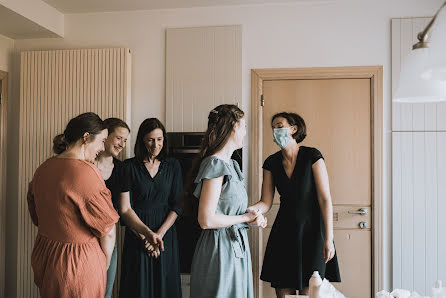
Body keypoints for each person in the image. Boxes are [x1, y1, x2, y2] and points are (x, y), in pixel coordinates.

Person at [247, 112, 341, 298]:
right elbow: (265, 201)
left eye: (280, 125)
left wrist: (328, 238)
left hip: (314, 232)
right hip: (284, 232)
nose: (276, 130)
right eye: (273, 127)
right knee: (283, 291)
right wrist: (252, 210)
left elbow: (325, 199)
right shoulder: (271, 162)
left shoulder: (312, 155)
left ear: (293, 129)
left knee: (310, 291)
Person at [27, 112, 119, 297]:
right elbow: (108, 231)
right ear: (86, 137)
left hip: (46, 257)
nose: (102, 147)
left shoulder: (43, 169)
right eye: (101, 141)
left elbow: (36, 216)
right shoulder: (87, 173)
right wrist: (105, 263)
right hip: (77, 265)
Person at [189, 104, 266, 298]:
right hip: (219, 249)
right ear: (234, 126)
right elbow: (206, 220)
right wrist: (245, 219)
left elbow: (230, 208)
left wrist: (253, 215)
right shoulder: (215, 164)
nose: (246, 131)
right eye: (245, 126)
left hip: (235, 246)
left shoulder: (231, 165)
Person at [119, 118, 182, 298]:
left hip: (165, 234)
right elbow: (125, 209)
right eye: (151, 140)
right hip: (137, 233)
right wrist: (146, 237)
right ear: (142, 140)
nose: (156, 145)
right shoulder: (128, 167)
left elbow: (177, 205)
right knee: (138, 288)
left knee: (165, 287)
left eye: (160, 139)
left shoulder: (173, 166)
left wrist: (158, 236)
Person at [95, 118, 130, 298]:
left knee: (105, 294)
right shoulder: (86, 164)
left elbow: (125, 209)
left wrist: (145, 232)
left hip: (110, 239)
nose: (122, 144)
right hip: (86, 240)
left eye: (125, 140)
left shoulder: (122, 169)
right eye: (118, 138)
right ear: (105, 135)